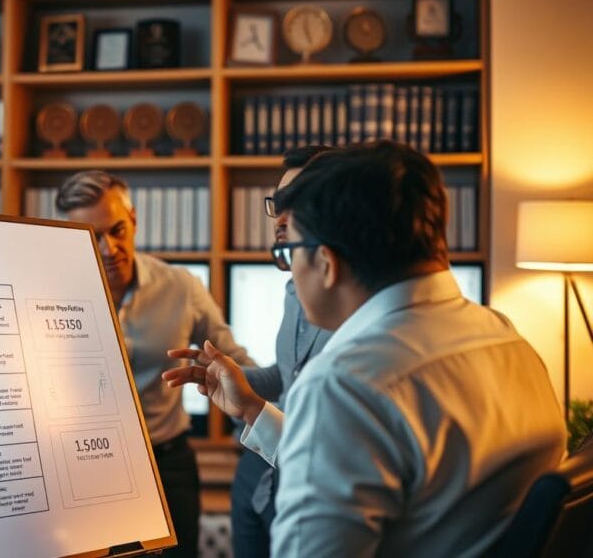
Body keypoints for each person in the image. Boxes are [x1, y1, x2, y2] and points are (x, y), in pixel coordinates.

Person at [165, 141, 566, 556]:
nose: (290, 271)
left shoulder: (345, 383)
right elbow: (348, 462)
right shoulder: (507, 339)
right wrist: (252, 408)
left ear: (326, 263)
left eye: (289, 252)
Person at [56, 170, 256, 558]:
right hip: (81, 468)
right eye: (92, 237)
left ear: (133, 220)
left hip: (167, 465)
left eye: (116, 230)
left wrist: (284, 402)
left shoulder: (180, 286)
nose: (108, 248)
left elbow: (237, 363)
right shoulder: (48, 291)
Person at [233, 145, 333, 558]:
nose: (280, 219)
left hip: (311, 473)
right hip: (259, 464)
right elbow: (289, 374)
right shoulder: (294, 288)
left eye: (297, 202)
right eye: (278, 203)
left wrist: (249, 404)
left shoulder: (353, 305)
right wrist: (232, 376)